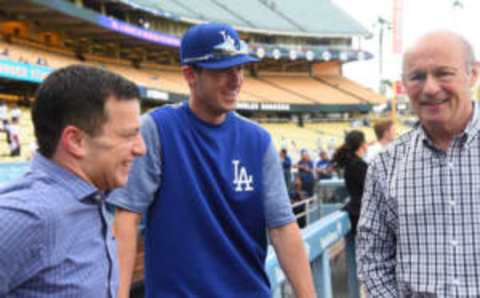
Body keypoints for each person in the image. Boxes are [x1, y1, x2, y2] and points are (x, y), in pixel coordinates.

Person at [108, 23, 315, 298]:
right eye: (223, 70)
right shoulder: (156, 129)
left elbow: (283, 227)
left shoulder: (258, 141)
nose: (236, 80)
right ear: (190, 74)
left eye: (239, 68)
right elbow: (126, 219)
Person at [0, 65, 146, 297]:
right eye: (128, 135)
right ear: (76, 141)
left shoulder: (93, 197)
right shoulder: (27, 216)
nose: (141, 149)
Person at [357, 31, 480, 296]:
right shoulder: (385, 165)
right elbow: (373, 260)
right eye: (417, 77)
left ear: (473, 74)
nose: (430, 88)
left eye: (443, 73)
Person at [332, 130, 368, 233]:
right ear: (361, 144)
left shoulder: (352, 162)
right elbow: (370, 188)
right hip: (360, 212)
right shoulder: (357, 164)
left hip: (357, 210)